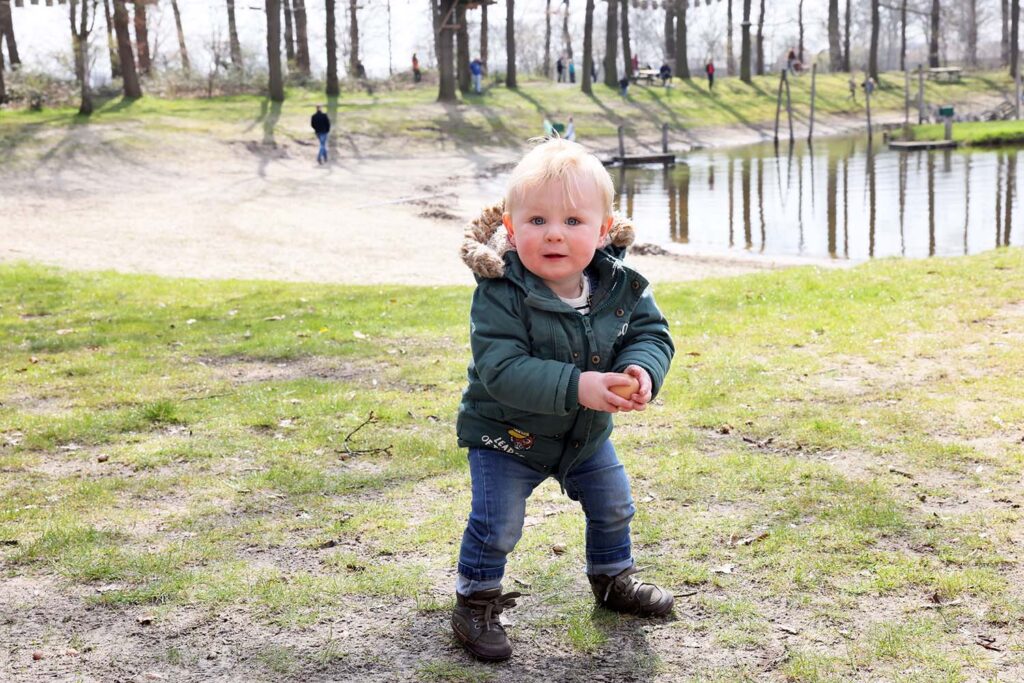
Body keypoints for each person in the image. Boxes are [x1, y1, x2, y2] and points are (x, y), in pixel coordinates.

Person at [452, 138, 676, 662]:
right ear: (511, 227)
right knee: (497, 522)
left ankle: (612, 576)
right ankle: (476, 596)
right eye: (537, 221)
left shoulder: (620, 286)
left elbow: (652, 333)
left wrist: (642, 368)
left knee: (614, 505)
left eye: (573, 221)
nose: (554, 232)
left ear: (603, 230)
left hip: (583, 435)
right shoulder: (500, 292)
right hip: (506, 435)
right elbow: (502, 370)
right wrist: (580, 385)